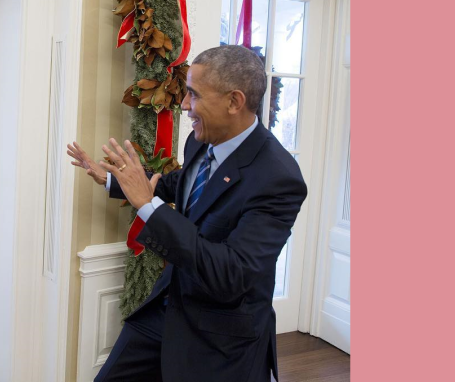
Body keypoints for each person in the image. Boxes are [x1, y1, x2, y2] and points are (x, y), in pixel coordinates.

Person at [68, 45, 307, 382]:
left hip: (221, 336)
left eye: (193, 94)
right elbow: (180, 184)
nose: (183, 105)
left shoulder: (278, 177)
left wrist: (147, 206)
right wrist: (114, 181)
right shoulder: (200, 140)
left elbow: (231, 273)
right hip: (168, 306)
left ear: (234, 101)